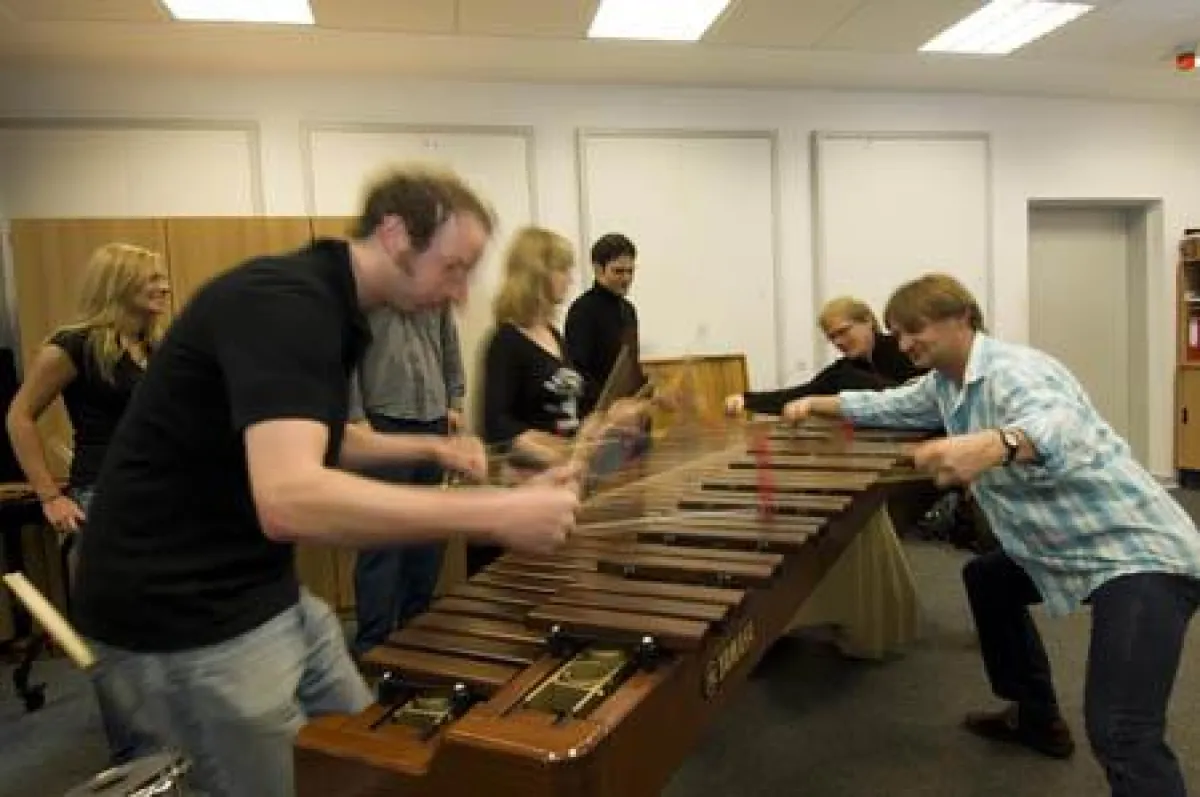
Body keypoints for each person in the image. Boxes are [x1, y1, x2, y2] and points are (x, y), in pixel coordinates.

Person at [71, 166, 580, 797]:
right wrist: (493, 514)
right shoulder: (287, 303)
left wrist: (432, 444)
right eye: (455, 267)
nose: (462, 293)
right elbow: (291, 501)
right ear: (395, 234)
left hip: (263, 592)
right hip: (179, 613)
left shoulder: (337, 309)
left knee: (364, 765)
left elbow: (322, 435)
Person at [786, 273, 1200, 797]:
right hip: (1060, 548)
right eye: (898, 332)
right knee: (989, 579)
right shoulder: (944, 383)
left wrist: (1001, 442)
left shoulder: (1014, 371)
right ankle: (1035, 717)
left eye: (916, 329)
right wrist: (815, 405)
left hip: (1138, 553)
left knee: (1120, 732)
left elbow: (1062, 424)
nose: (906, 343)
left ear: (962, 318)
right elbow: (886, 406)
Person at [5, 241, 169, 765]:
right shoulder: (72, 346)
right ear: (120, 285)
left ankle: (170, 742)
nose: (165, 287)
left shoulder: (152, 345)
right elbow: (19, 417)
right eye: (153, 280)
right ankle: (139, 759)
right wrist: (50, 495)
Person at [347, 303, 466, 658]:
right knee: (383, 543)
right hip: (382, 419)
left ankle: (416, 635)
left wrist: (455, 401)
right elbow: (345, 351)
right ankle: (374, 645)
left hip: (432, 417)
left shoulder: (435, 281)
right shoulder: (362, 286)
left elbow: (448, 340)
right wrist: (354, 416)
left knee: (428, 538)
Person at [724, 295, 923, 416]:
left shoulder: (906, 350)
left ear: (868, 321)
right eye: (832, 337)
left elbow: (916, 398)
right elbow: (801, 393)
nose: (838, 342)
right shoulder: (843, 370)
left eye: (843, 331)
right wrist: (747, 400)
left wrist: (847, 383)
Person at [565, 232, 649, 418]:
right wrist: (611, 405)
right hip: (596, 418)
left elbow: (630, 366)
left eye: (630, 271)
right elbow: (577, 372)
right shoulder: (582, 310)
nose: (626, 278)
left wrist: (650, 391)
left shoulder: (629, 310)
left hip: (626, 418)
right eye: (618, 271)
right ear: (598, 269)